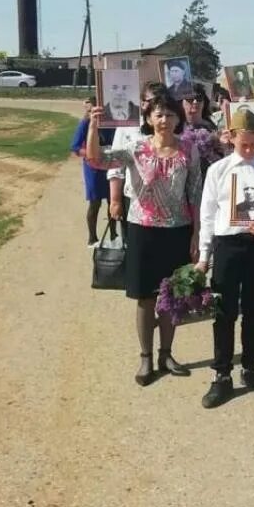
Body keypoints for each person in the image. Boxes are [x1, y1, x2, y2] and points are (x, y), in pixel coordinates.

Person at [87, 93, 202, 386]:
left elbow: (195, 194)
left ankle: (166, 354)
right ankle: (146, 357)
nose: (165, 120)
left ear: (179, 119)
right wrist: (93, 126)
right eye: (159, 115)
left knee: (172, 296)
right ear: (149, 119)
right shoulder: (135, 148)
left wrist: (197, 233)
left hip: (178, 230)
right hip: (143, 230)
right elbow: (97, 159)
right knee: (145, 297)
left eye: (171, 115)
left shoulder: (189, 149)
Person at [195, 109, 254, 408]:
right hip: (227, 246)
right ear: (232, 137)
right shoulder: (219, 170)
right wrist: (204, 255)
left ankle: (250, 366)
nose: (249, 150)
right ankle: (222, 374)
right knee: (223, 311)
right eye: (243, 144)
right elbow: (208, 215)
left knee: (253, 308)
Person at [107, 81, 168, 239]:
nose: (156, 106)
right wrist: (115, 200)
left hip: (166, 201)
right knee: (135, 251)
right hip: (135, 200)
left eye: (160, 101)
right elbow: (116, 165)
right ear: (142, 103)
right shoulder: (128, 125)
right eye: (151, 102)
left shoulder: (169, 124)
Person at [70, 97, 117, 247]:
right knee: (95, 203)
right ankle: (92, 237)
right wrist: (94, 154)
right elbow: (76, 147)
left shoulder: (112, 122)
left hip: (111, 165)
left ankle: (114, 234)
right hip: (94, 169)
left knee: (113, 201)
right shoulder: (85, 123)